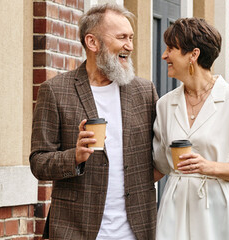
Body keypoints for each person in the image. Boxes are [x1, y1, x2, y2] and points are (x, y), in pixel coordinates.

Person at [29, 3, 158, 240]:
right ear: (92, 42)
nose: (129, 45)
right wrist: (74, 156)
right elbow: (38, 162)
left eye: (131, 37)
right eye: (121, 37)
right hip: (76, 229)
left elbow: (160, 154)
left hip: (136, 230)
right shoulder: (55, 91)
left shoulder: (145, 92)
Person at [152, 18, 229, 239]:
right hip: (176, 211)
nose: (164, 55)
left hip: (220, 211)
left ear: (194, 54)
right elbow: (160, 166)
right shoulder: (165, 105)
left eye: (171, 49)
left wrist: (207, 166)